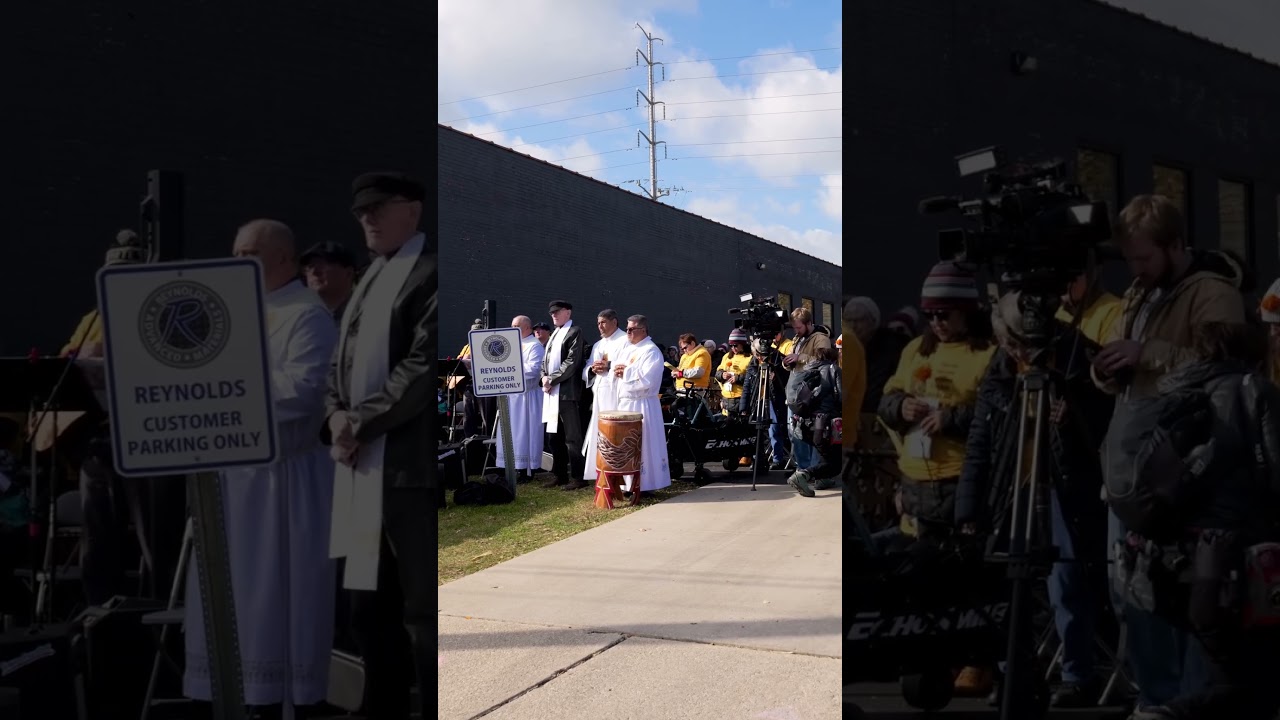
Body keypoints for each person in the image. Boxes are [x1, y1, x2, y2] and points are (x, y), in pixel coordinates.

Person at [1091, 194, 1246, 715]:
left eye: (1144, 258)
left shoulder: (1213, 292)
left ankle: (1190, 702)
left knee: (1185, 593)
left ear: (1175, 245)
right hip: (1133, 469)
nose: (1135, 269)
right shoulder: (1139, 293)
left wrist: (1146, 354)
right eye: (1131, 259)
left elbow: (1224, 369)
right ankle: (1158, 698)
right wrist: (1106, 369)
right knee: (1133, 592)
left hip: (1186, 473)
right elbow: (1120, 364)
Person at [183, 219, 338, 717]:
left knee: (274, 604)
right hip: (231, 482)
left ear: (284, 260)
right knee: (228, 604)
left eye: (250, 251)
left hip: (282, 483)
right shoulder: (230, 315)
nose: (238, 261)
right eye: (235, 251)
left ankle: (277, 701)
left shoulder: (307, 314)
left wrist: (221, 394)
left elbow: (304, 390)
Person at [955, 291, 1114, 708]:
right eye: (1007, 344)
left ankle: (1078, 674)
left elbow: (1108, 419)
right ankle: (1013, 675)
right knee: (1009, 588)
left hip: (1062, 487)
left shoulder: (1075, 356)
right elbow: (981, 439)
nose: (1013, 351)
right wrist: (968, 507)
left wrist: (1073, 414)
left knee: (1067, 584)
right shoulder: (1002, 368)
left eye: (1016, 344)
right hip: (1014, 485)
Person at [325, 172, 436, 720]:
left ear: (411, 211)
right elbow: (337, 365)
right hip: (358, 467)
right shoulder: (368, 281)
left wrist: (357, 423)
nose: (366, 218)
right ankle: (381, 703)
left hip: (402, 471)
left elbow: (419, 368)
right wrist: (334, 416)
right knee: (365, 604)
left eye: (378, 208)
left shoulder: (428, 276)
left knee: (419, 607)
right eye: (360, 211)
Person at [877, 261, 997, 696]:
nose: (937, 323)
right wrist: (900, 408)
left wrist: (953, 417)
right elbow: (888, 395)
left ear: (967, 311)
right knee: (924, 581)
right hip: (916, 480)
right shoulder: (916, 351)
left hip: (961, 481)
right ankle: (937, 662)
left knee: (969, 577)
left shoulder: (987, 353)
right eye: (930, 315)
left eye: (945, 315)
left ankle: (977, 661)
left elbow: (997, 414)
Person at [612, 315, 672, 497]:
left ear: (643, 330)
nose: (627, 332)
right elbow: (617, 370)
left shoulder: (651, 351)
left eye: (631, 329)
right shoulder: (628, 349)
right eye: (627, 328)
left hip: (642, 404)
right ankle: (627, 484)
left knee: (642, 444)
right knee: (626, 445)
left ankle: (645, 484)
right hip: (626, 403)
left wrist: (626, 372)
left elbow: (649, 379)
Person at [540, 300, 588, 490]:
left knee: (572, 437)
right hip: (551, 392)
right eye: (552, 313)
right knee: (553, 436)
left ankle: (578, 477)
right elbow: (546, 360)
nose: (554, 315)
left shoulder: (574, 332)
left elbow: (572, 362)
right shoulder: (554, 335)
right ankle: (559, 475)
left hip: (567, 393)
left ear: (568, 312)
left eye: (557, 312)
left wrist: (551, 378)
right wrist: (544, 376)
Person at [494, 316, 546, 480]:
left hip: (527, 397)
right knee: (509, 432)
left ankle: (526, 469)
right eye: (511, 325)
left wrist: (510, 368)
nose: (512, 328)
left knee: (525, 433)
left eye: (516, 325)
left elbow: (534, 369)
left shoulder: (534, 345)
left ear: (528, 328)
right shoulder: (511, 345)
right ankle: (509, 466)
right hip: (511, 396)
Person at [582, 309, 629, 483]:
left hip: (616, 396)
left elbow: (628, 363)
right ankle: (600, 472)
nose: (600, 327)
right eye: (598, 323)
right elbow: (586, 368)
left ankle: (618, 475)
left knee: (614, 434)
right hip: (600, 395)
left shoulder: (625, 340)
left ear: (614, 322)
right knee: (599, 433)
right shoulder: (598, 345)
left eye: (603, 322)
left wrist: (608, 366)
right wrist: (592, 370)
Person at [300, 241, 359, 324]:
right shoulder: (303, 318)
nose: (314, 272)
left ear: (348, 273)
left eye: (322, 264)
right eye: (310, 267)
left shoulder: (366, 309)